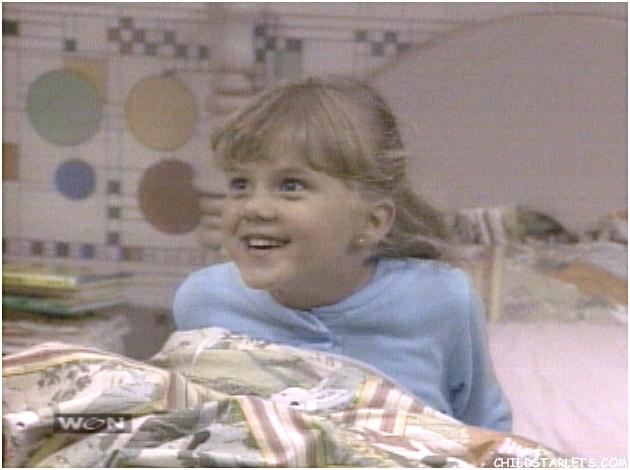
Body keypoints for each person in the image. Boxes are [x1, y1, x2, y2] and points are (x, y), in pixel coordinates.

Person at [173, 76, 512, 432]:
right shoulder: (204, 301)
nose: (254, 207)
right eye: (240, 184)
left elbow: (490, 434)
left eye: (291, 185)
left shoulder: (440, 300)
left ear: (371, 221)